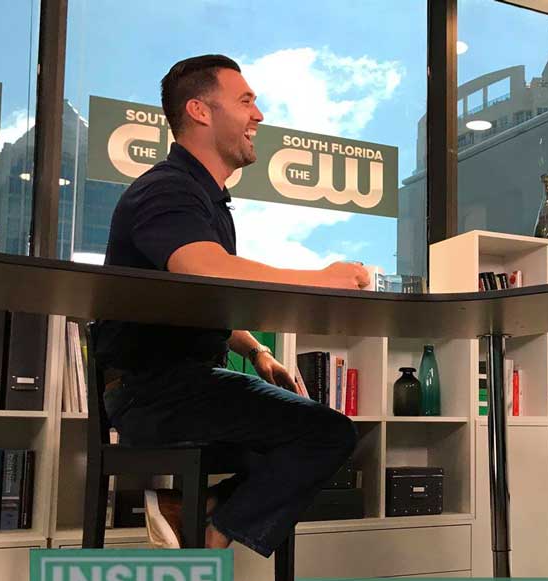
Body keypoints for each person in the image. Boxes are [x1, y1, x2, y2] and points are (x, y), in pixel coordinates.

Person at [95, 54, 371, 555]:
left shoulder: (204, 199)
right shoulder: (167, 190)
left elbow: (202, 302)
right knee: (325, 435)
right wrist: (322, 278)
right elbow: (203, 269)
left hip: (178, 386)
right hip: (154, 394)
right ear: (200, 111)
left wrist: (254, 351)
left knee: (306, 437)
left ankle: (194, 511)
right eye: (246, 101)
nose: (259, 116)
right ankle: (211, 533)